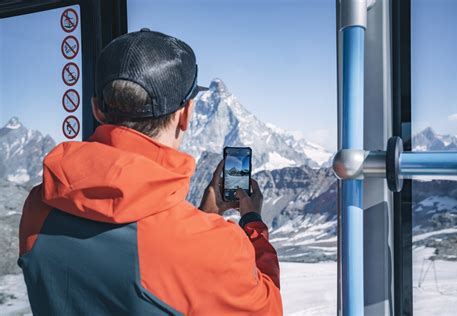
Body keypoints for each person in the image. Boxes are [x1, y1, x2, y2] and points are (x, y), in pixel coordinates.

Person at [18, 28, 282, 315]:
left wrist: (204, 218)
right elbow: (267, 306)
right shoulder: (212, 249)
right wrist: (253, 221)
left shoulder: (37, 207)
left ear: (96, 109)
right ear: (186, 115)